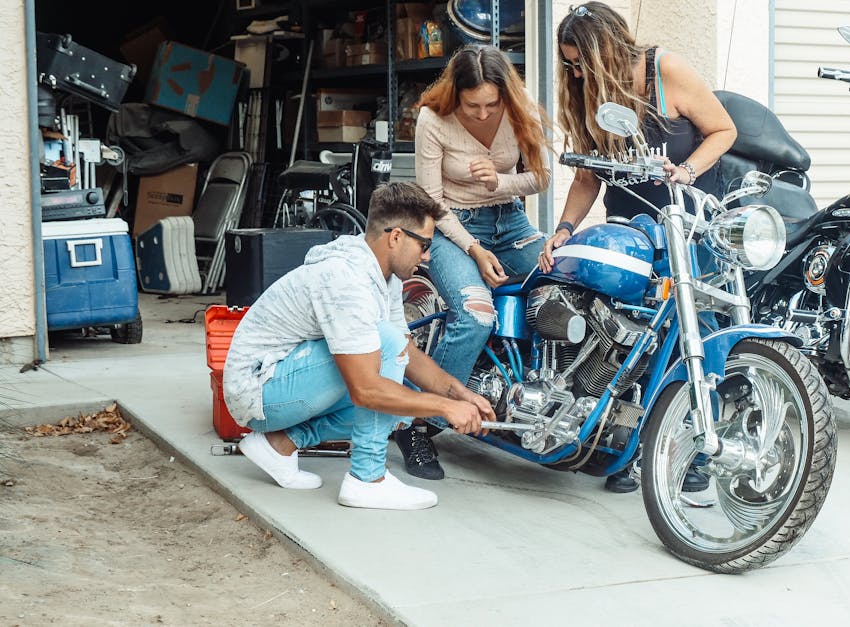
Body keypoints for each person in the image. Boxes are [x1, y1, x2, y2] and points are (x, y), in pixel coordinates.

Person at [539, 2, 737, 493]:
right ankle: (623, 447)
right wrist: (564, 229)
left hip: (686, 227)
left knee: (696, 341)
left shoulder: (664, 70)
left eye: (581, 60)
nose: (576, 71)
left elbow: (723, 130)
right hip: (628, 232)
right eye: (569, 64)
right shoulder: (588, 93)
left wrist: (686, 170)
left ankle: (696, 454)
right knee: (625, 335)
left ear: (607, 48)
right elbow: (587, 177)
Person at [222, 182, 496, 510]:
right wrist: (443, 407)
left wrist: (458, 393)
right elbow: (366, 389)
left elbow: (406, 354)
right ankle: (367, 479)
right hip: (256, 390)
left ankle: (279, 444)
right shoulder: (345, 279)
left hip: (281, 381)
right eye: (424, 245)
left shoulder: (386, 277)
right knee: (385, 362)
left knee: (399, 408)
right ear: (395, 237)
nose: (427, 257)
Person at [392, 44, 554, 481]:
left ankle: (538, 402)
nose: (483, 114)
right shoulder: (432, 119)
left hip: (512, 222)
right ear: (455, 95)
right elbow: (431, 202)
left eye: (491, 104)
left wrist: (501, 180)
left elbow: (541, 177)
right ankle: (416, 425)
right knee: (475, 315)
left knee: (562, 289)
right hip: (452, 228)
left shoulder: (523, 112)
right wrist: (474, 250)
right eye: (472, 105)